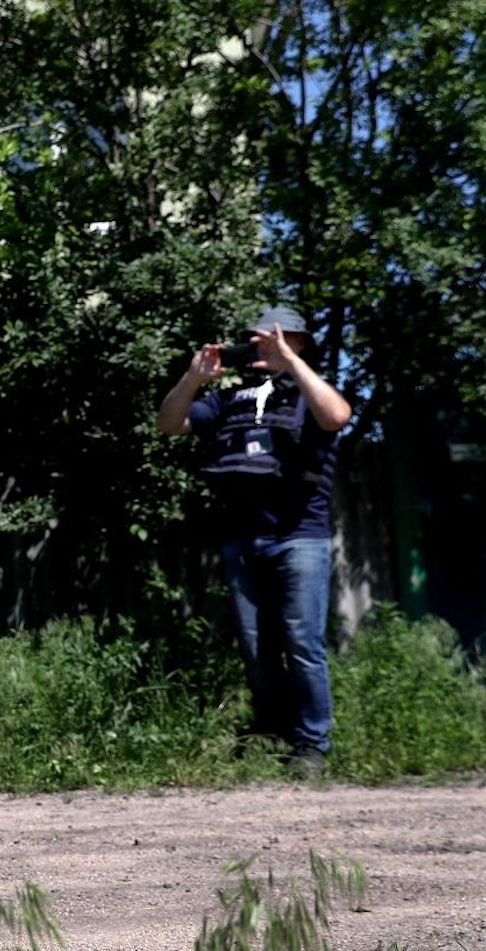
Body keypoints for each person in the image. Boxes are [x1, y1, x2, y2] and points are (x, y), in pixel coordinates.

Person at [155, 305, 353, 774]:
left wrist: (290, 361)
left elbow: (337, 416)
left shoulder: (308, 393)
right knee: (256, 647)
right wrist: (192, 379)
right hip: (242, 540)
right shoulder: (231, 399)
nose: (260, 346)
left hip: (299, 538)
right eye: (255, 339)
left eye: (273, 338)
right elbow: (168, 424)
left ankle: (311, 747)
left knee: (302, 643)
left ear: (298, 341)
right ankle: (271, 734)